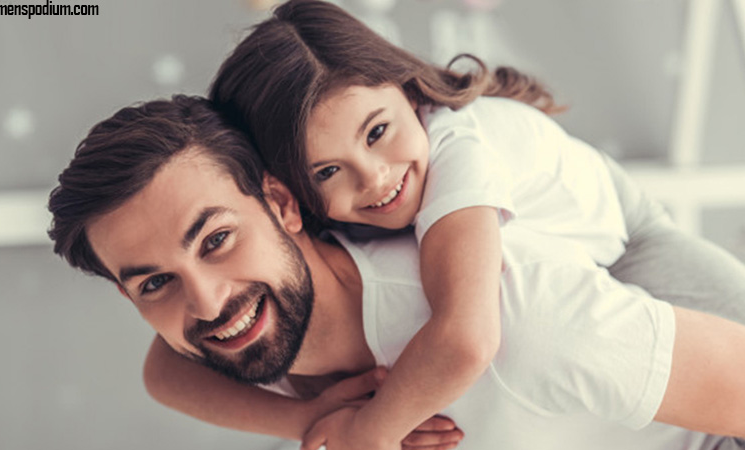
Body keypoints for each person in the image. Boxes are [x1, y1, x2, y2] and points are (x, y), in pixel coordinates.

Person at [173, 0, 742, 447]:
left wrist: (370, 430)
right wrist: (304, 417)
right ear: (288, 194)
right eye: (326, 171)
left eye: (377, 133)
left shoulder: (456, 149)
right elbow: (163, 370)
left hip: (630, 240)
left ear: (403, 89)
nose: (373, 179)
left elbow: (467, 334)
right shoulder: (346, 216)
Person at [48, 95, 745, 450]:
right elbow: (162, 373)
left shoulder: (518, 315)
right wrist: (309, 420)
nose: (205, 303)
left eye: (218, 240)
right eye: (153, 284)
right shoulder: (263, 348)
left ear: (283, 204)